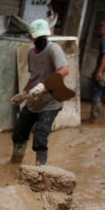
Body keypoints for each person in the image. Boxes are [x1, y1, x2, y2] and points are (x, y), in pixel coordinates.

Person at [9, 18, 69, 166]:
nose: (40, 39)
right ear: (31, 37)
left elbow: (64, 70)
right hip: (33, 100)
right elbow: (33, 76)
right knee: (19, 132)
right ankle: (15, 161)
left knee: (41, 134)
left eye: (43, 37)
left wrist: (44, 86)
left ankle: (40, 168)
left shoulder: (53, 49)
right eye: (37, 37)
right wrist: (23, 94)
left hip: (51, 101)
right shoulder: (31, 53)